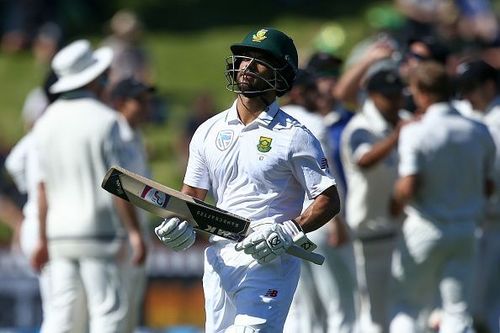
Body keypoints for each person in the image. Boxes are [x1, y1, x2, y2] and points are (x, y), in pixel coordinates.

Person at [154, 27, 341, 332]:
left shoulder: (295, 136)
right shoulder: (208, 131)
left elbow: (329, 200)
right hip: (219, 258)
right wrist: (180, 224)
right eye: (243, 58)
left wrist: (289, 231)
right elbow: (191, 200)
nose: (247, 67)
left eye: (260, 60)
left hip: (268, 257)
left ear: (281, 73)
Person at [30, 39, 147, 333]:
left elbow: (42, 188)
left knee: (63, 316)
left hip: (59, 233)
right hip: (100, 231)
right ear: (94, 78)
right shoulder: (106, 120)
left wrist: (43, 237)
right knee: (108, 311)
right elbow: (116, 183)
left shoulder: (44, 122)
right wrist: (134, 232)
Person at [389, 61, 496, 333]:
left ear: (423, 92)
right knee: (458, 311)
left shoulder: (416, 131)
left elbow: (410, 185)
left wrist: (396, 198)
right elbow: (487, 185)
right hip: (465, 229)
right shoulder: (478, 129)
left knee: (408, 306)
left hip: (425, 226)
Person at [341, 61, 412, 333]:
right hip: (369, 232)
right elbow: (364, 160)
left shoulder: (402, 118)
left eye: (399, 95)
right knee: (374, 314)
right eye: (389, 96)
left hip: (402, 229)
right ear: (372, 95)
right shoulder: (360, 126)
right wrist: (397, 136)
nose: (396, 101)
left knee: (404, 308)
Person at [455, 59, 500, 333]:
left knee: (487, 308)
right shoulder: (474, 116)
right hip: (477, 222)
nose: (467, 96)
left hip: (494, 221)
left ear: (490, 86)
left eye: (472, 88)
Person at [108, 77, 155, 333]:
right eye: (139, 101)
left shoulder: (135, 136)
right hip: (119, 235)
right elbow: (119, 190)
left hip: (135, 232)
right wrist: (133, 235)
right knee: (116, 310)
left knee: (129, 312)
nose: (146, 106)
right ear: (119, 103)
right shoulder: (113, 134)